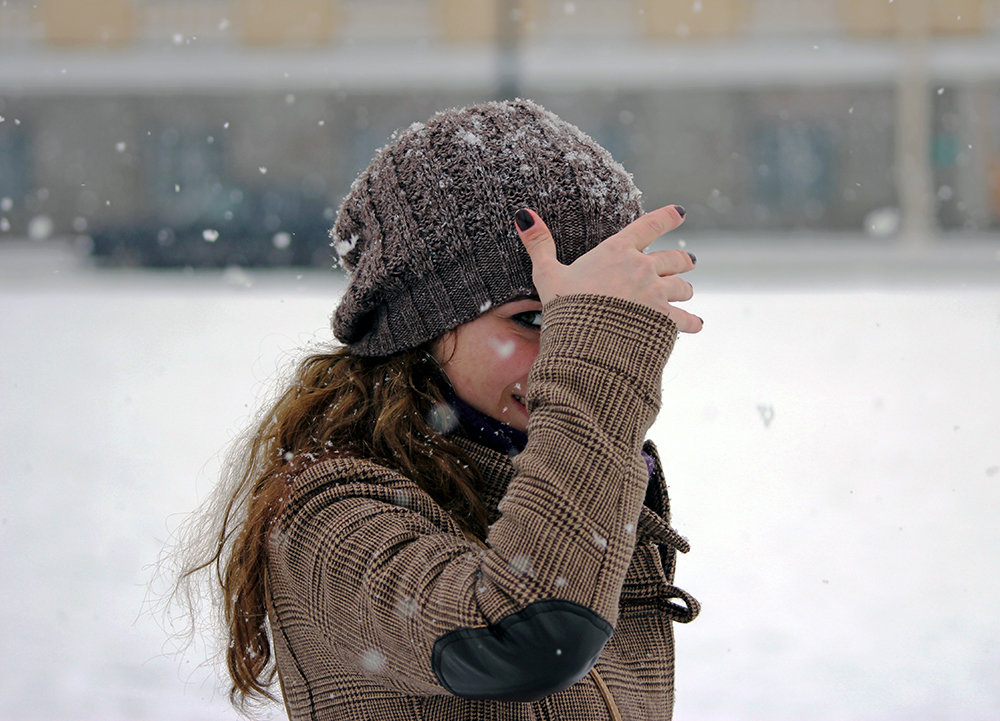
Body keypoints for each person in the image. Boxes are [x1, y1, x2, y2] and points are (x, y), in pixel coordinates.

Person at [176, 98, 702, 720]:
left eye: (594, 321)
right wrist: (596, 378)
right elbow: (526, 638)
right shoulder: (327, 515)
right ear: (424, 329)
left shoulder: (569, 473)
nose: (569, 348)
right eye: (535, 318)